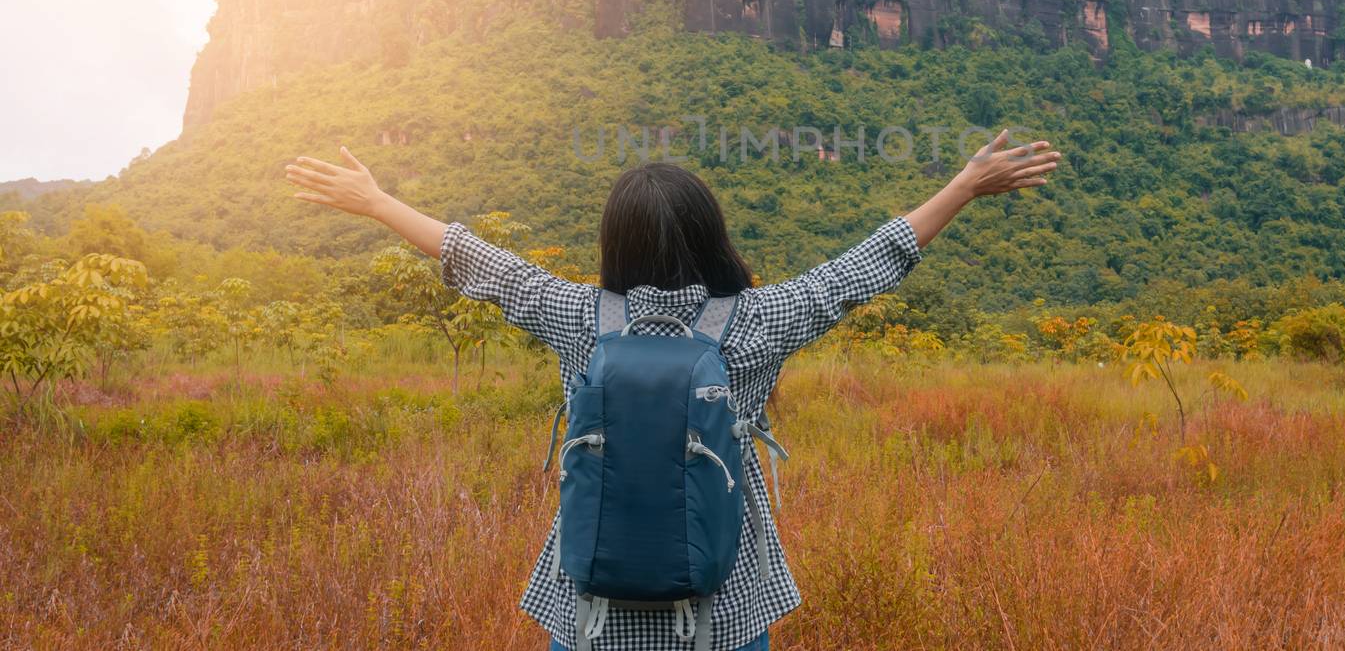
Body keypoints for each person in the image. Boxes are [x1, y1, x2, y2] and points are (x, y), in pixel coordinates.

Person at [285, 127, 1059, 650]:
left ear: (612, 244)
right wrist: (962, 184)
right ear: (710, 235)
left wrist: (377, 201)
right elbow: (861, 269)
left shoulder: (578, 316)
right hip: (723, 609)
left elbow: (477, 261)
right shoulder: (758, 320)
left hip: (591, 608)